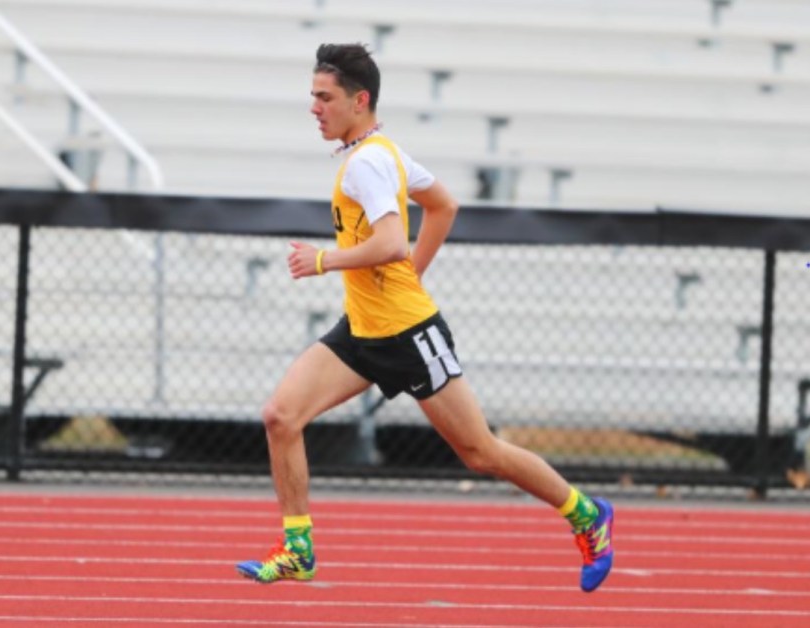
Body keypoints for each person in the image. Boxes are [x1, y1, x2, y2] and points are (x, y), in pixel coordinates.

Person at [236, 43, 614, 593]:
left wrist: (324, 260)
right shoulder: (379, 152)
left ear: (360, 100)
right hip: (362, 330)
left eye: (324, 97)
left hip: (410, 335)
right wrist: (413, 272)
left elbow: (392, 241)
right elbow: (443, 206)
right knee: (281, 416)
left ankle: (586, 513)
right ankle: (298, 548)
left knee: (480, 452)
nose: (314, 108)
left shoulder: (368, 162)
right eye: (312, 96)